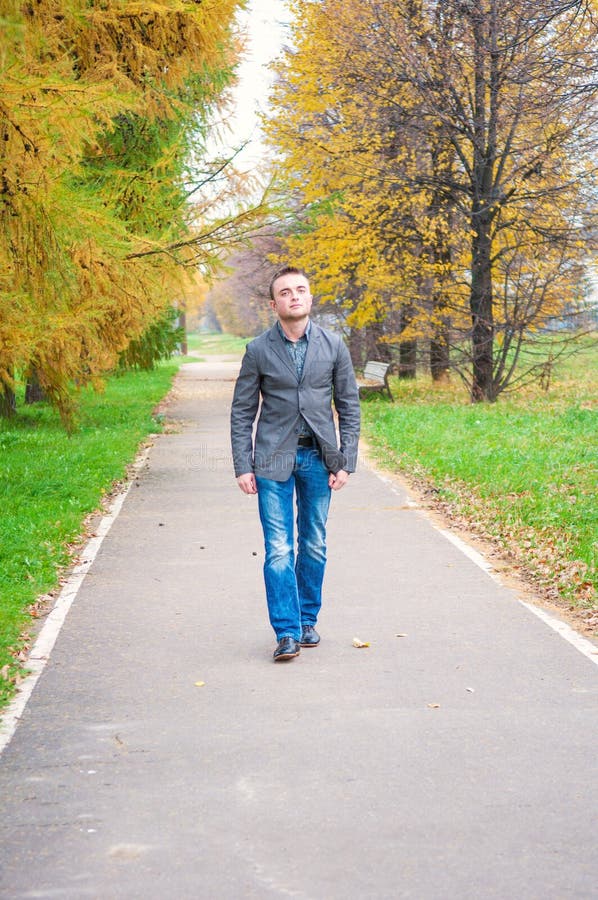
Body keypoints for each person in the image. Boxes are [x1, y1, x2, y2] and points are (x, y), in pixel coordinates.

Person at [230, 266, 361, 662]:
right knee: (279, 548)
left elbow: (349, 405)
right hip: (272, 459)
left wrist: (346, 460)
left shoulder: (334, 345)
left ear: (310, 297)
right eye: (285, 292)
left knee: (315, 544)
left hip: (320, 459)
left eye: (300, 290)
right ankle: (285, 632)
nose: (294, 296)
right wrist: (243, 464)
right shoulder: (258, 350)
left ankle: (307, 621)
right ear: (275, 304)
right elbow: (242, 411)